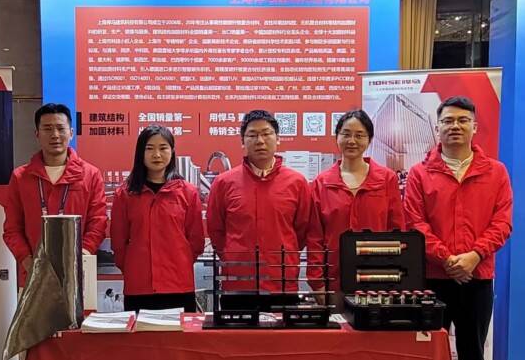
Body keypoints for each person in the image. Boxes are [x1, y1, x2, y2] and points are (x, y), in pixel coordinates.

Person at [404, 96, 512, 360]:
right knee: (427, 356)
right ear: (437, 127)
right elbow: (415, 224)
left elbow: (502, 223)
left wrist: (474, 256)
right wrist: (448, 259)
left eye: (463, 120)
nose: (455, 126)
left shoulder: (496, 172)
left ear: (474, 127)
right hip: (432, 279)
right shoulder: (419, 173)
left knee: (473, 355)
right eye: (448, 121)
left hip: (477, 278)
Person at [206, 110, 311, 293]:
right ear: (243, 141)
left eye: (266, 133)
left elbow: (302, 232)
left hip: (282, 282)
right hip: (238, 283)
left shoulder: (297, 182)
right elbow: (216, 231)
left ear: (278, 138)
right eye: (252, 135)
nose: (260, 141)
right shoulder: (224, 183)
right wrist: (234, 256)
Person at [3, 103, 107, 284]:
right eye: (47, 129)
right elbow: (12, 228)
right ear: (37, 134)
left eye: (60, 128)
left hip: (77, 274)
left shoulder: (90, 175)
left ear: (71, 133)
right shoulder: (21, 177)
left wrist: (81, 257)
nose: (55, 135)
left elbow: (98, 222)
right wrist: (29, 262)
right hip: (33, 275)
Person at [306, 109, 405, 299]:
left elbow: (397, 230)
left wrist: (396, 276)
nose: (352, 141)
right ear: (337, 137)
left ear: (369, 139)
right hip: (334, 280)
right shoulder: (322, 183)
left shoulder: (387, 179)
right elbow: (315, 238)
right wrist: (317, 283)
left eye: (359, 135)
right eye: (346, 134)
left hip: (378, 279)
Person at [110, 125, 205, 312]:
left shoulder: (188, 192)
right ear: (140, 153)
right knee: (140, 333)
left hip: (178, 285)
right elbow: (119, 243)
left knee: (179, 333)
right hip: (139, 286)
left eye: (163, 148)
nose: (157, 155)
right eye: (150, 148)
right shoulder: (125, 194)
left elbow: (196, 242)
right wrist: (134, 268)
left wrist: (179, 262)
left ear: (172, 151)